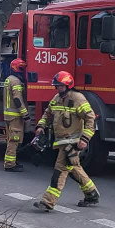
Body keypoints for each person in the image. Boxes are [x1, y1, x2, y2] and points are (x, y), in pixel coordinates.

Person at [32, 71, 99, 211]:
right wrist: (40, 126)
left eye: (61, 86)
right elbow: (48, 113)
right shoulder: (56, 98)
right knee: (74, 167)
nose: (58, 89)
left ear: (68, 85)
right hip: (61, 141)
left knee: (60, 170)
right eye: (56, 86)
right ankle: (92, 193)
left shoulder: (78, 98)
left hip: (73, 142)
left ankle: (48, 202)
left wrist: (85, 139)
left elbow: (90, 118)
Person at [3, 59, 29, 172]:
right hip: (15, 116)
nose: (23, 71)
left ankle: (11, 161)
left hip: (9, 115)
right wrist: (25, 114)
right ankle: (9, 164)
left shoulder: (9, 79)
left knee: (10, 139)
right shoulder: (16, 82)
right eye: (22, 68)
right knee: (14, 140)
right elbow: (17, 99)